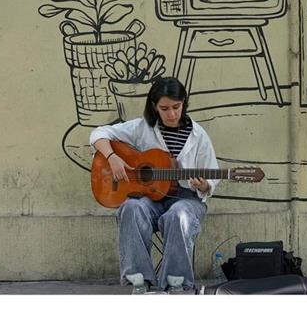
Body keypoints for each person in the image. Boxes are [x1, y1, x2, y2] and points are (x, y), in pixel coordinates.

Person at [90, 76, 220, 294]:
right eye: (165, 108)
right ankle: (140, 281)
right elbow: (98, 134)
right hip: (150, 198)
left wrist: (205, 185)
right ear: (154, 107)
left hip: (186, 198)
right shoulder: (142, 128)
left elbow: (212, 180)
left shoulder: (198, 136)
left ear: (184, 103)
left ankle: (175, 283)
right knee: (130, 208)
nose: (171, 114)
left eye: (176, 107)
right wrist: (112, 156)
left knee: (178, 215)